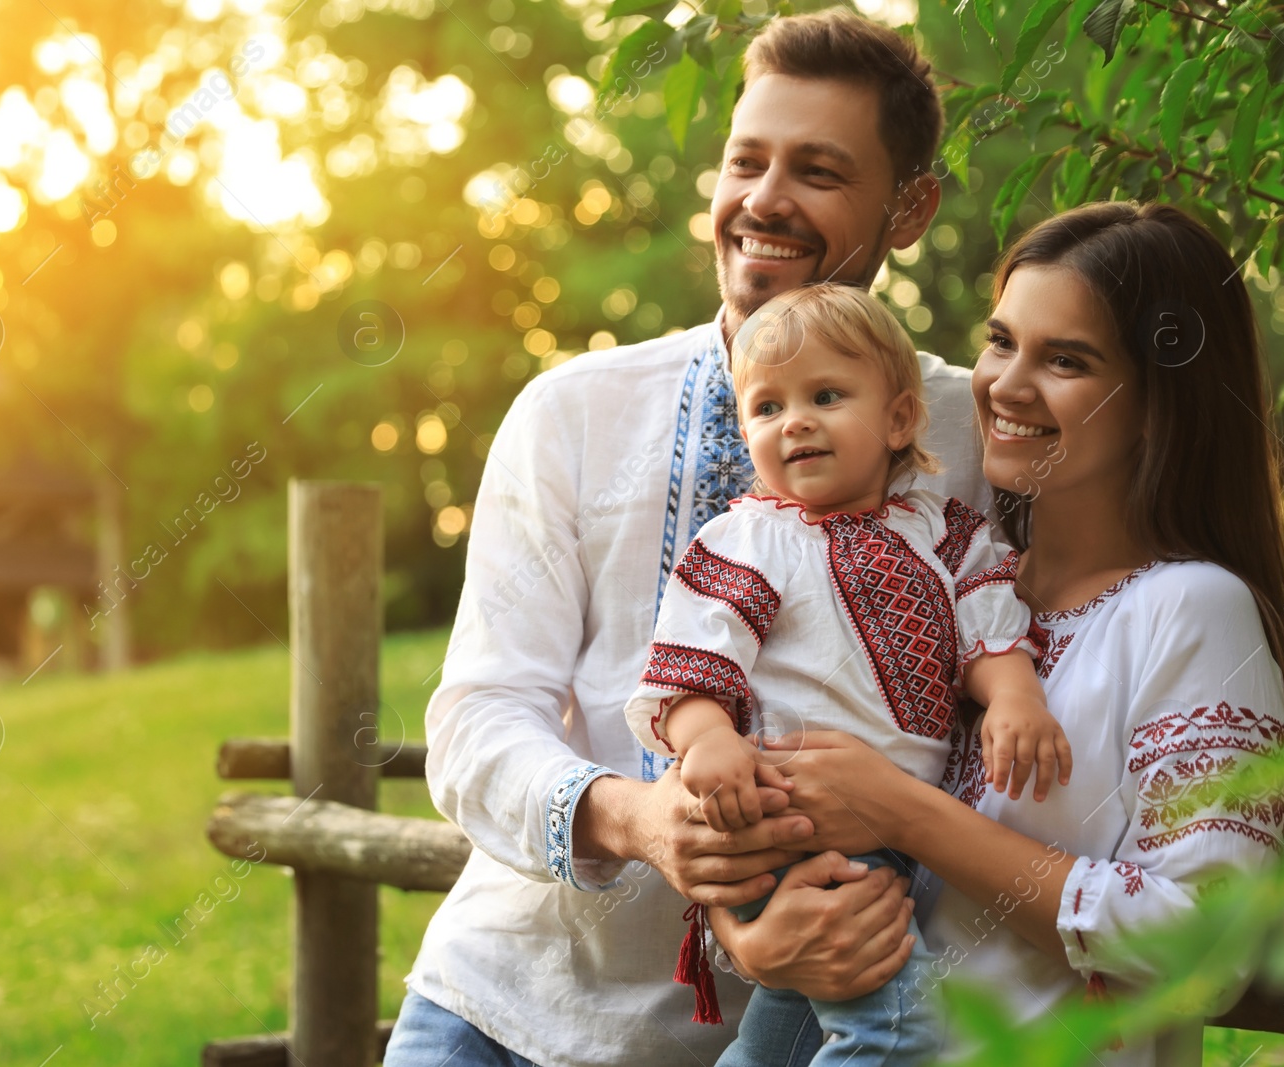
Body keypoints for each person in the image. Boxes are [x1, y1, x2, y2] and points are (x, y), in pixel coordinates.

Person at [383, 11, 971, 1066]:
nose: (763, 200)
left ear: (910, 207)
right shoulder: (572, 412)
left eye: (819, 171)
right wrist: (639, 818)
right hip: (511, 1020)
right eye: (745, 160)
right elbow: (477, 723)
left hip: (814, 1033)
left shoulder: (970, 436)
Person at [706, 201, 1284, 1066]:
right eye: (1002, 341)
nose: (1005, 384)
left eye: (1066, 360)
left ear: (1157, 401)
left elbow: (1202, 944)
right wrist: (753, 935)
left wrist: (905, 811)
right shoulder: (959, 576)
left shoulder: (1194, 606)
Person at [622, 283, 1069, 1064]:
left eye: (826, 395)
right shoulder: (746, 542)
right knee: (898, 1028)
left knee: (785, 1028)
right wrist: (706, 742)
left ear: (898, 418)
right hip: (796, 822)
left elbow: (989, 627)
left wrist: (1014, 695)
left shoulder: (939, 530)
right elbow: (694, 668)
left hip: (889, 831)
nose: (794, 420)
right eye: (767, 407)